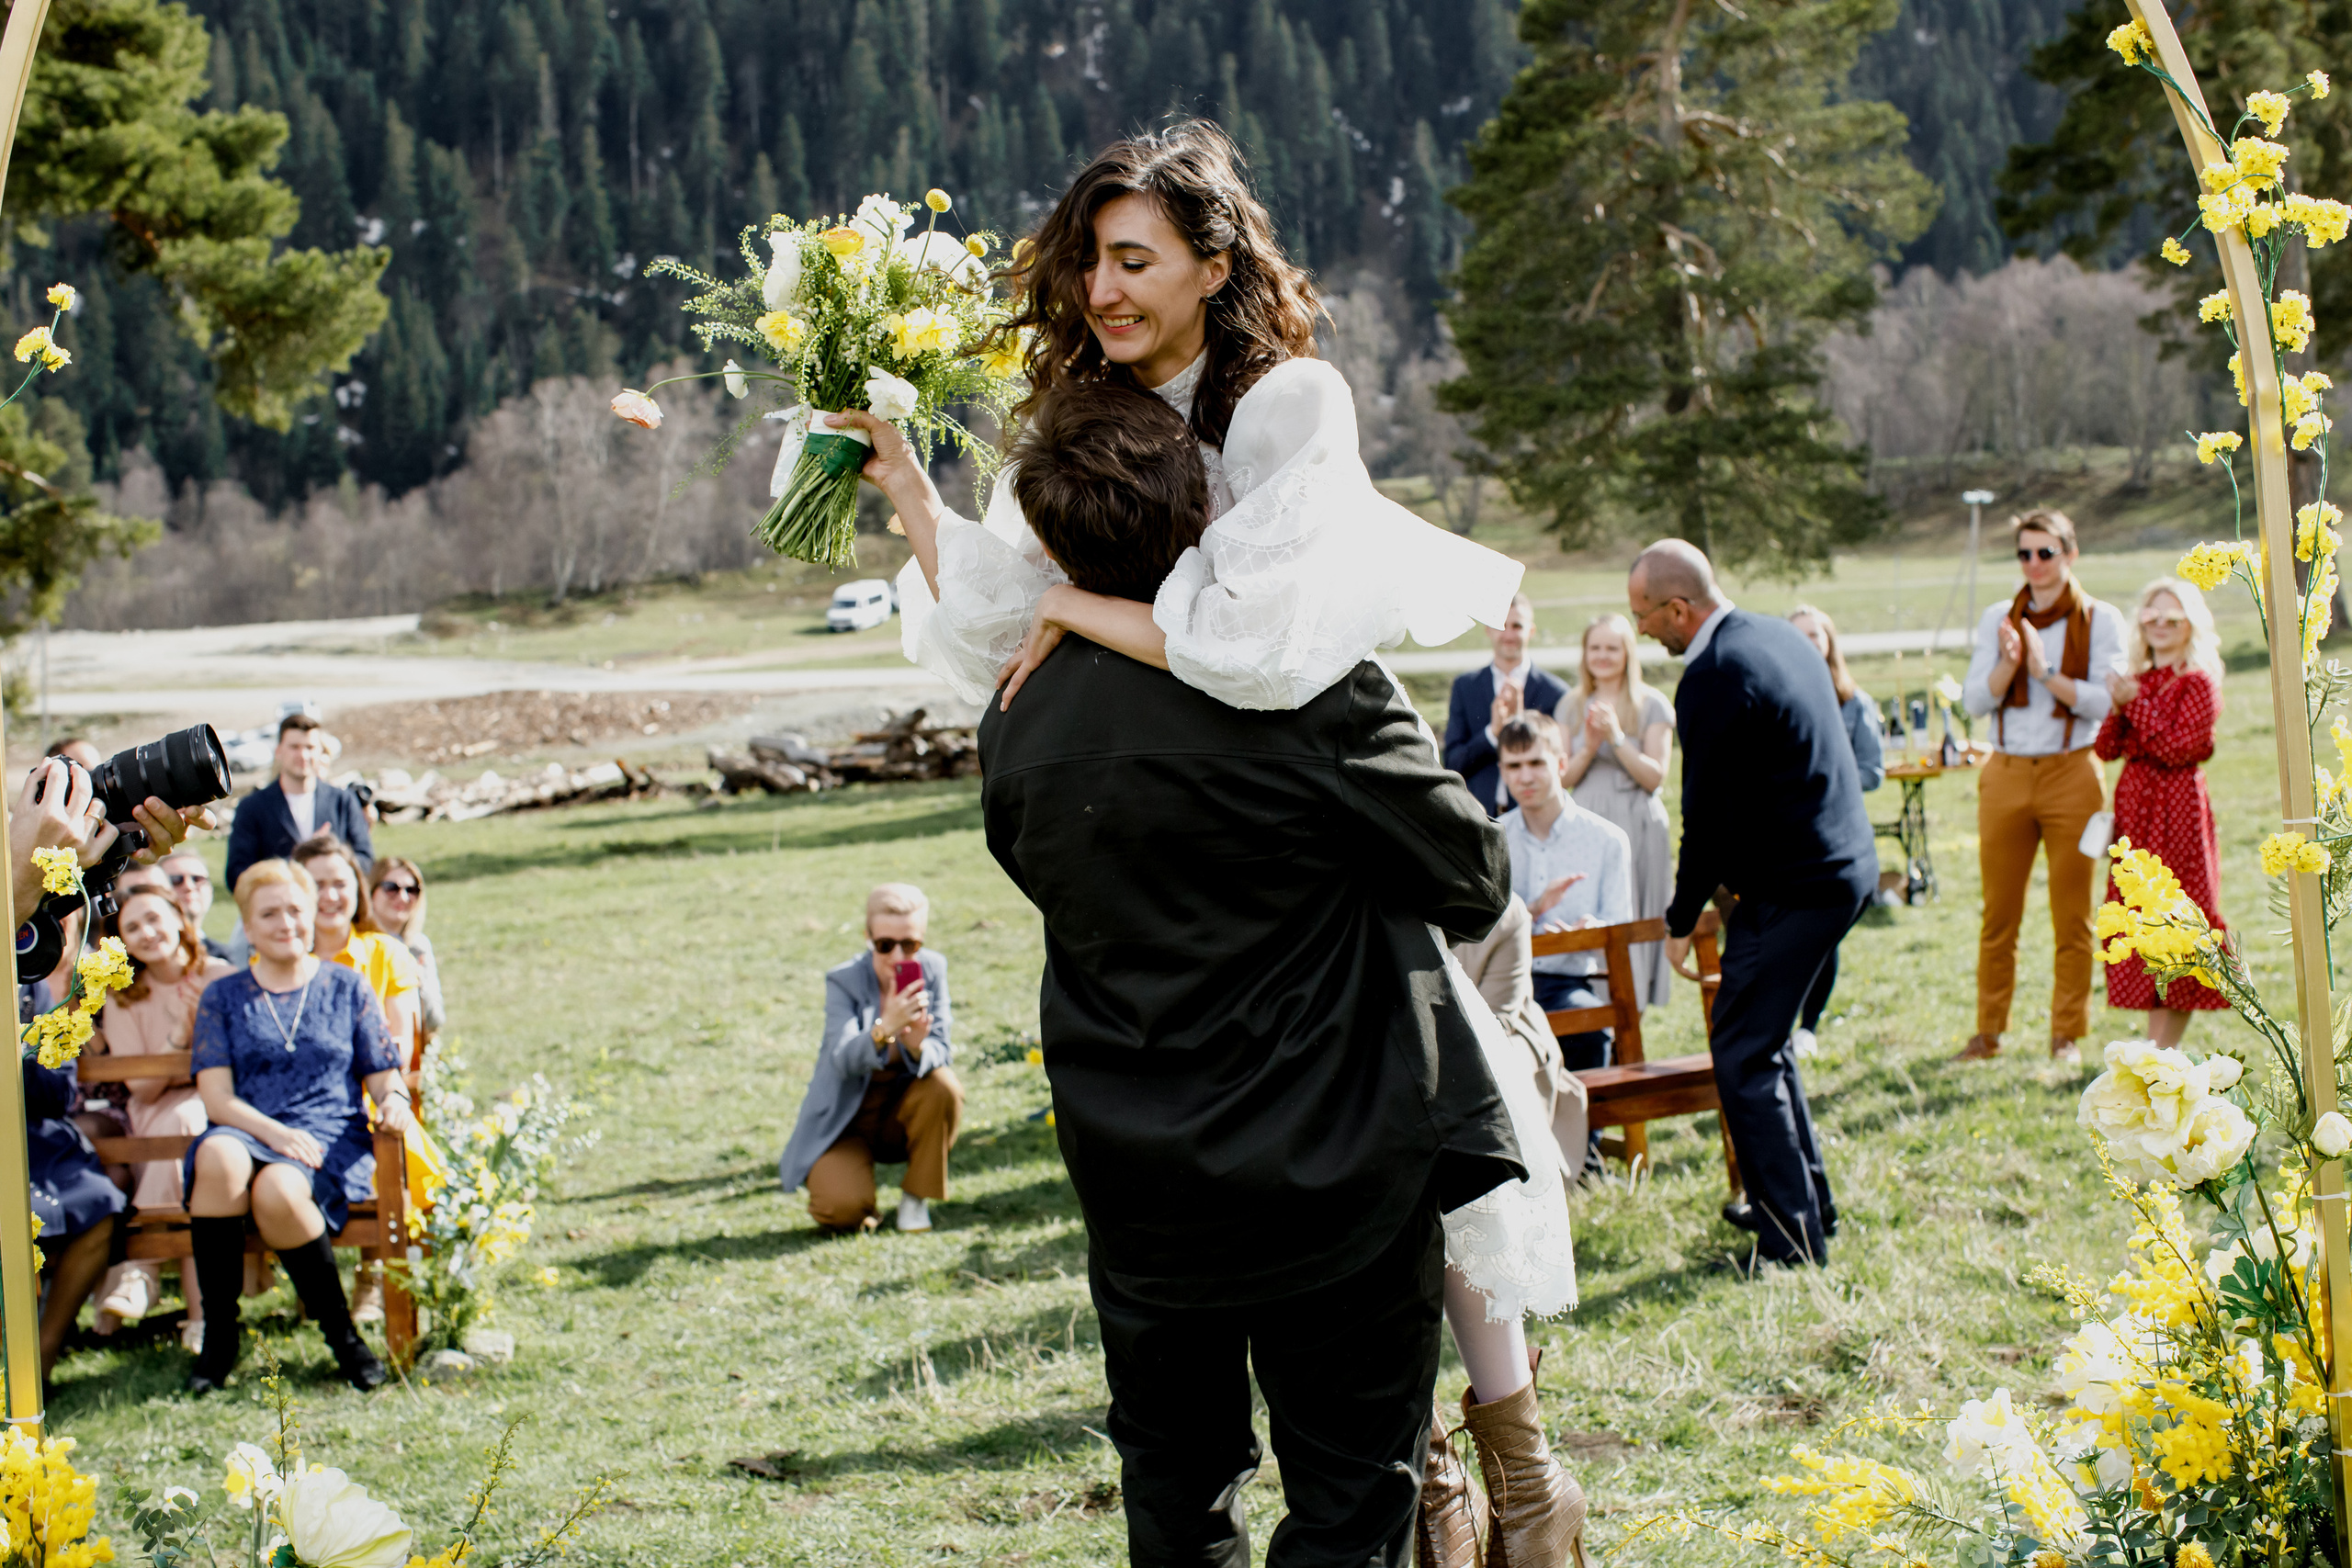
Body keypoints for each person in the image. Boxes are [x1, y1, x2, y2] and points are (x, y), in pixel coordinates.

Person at [978, 378, 1584, 1568]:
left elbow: (1035, 869)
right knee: (1351, 1502)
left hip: (1137, 1169)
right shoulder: (1305, 688)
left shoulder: (1020, 709)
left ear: (1052, 537)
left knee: (1176, 1496)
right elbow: (1472, 872)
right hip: (1335, 1161)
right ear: (1205, 516)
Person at [838, 118, 1523, 721]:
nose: (1101, 292)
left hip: (1311, 761)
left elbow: (1257, 653)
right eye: (1087, 262)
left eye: (1133, 262)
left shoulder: (1294, 406)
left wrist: (1077, 607)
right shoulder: (1073, 421)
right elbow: (1005, 636)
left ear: (1212, 271)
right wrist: (903, 477)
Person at [1629, 540, 1875, 1271]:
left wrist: (1678, 921)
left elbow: (1706, 819)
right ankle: (1805, 1204)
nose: (1643, 629)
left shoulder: (1714, 674)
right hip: (1837, 868)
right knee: (1764, 1044)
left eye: (1645, 615)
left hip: (1796, 888)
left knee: (1741, 1053)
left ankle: (1790, 1242)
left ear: (1680, 607)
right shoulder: (1773, 633)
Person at [183, 859, 409, 1393]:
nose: (285, 923)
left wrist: (394, 1100)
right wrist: (274, 1134)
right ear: (248, 924)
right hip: (249, 1126)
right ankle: (220, 1335)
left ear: (311, 915)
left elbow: (383, 1075)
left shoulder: (347, 987)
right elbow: (216, 1097)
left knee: (280, 1186)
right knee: (218, 1156)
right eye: (269, 914)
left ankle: (342, 1337)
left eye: (295, 911)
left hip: (329, 1134)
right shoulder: (224, 995)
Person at [1958, 510, 2127, 1064]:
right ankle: (1988, 1032)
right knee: (1998, 913)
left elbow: (2107, 702)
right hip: (2005, 770)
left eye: (2045, 553)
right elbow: (1975, 701)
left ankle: (2066, 1035)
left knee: (2072, 912)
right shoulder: (1997, 618)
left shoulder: (2100, 619)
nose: (2034, 564)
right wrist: (2009, 666)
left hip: (2071, 770)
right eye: (2024, 554)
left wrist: (2043, 670)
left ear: (2070, 555)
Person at [88, 886, 232, 1348]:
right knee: (182, 1128)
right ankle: (201, 1318)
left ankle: (143, 1270)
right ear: (123, 942)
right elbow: (142, 1087)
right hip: (150, 1121)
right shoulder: (124, 996)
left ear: (178, 915)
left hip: (219, 1108)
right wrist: (179, 1034)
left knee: (190, 1120)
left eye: (154, 918)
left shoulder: (219, 976)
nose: (147, 933)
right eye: (132, 928)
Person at [776, 885, 961, 1235]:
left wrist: (919, 1046)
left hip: (903, 1113)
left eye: (910, 944)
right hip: (847, 1120)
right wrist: (884, 1028)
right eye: (884, 944)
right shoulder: (844, 980)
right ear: (868, 937)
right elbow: (841, 1059)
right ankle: (861, 1200)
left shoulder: (933, 969)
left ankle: (915, 1197)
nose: (897, 956)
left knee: (944, 1085)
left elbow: (943, 1051)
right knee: (840, 1211)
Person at [2095, 578, 2227, 1046]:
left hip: (2179, 810)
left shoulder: (2198, 683)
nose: (2162, 626)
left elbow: (2179, 748)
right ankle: (2157, 1050)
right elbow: (2106, 747)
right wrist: (2119, 706)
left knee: (2180, 916)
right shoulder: (2140, 679)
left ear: (2191, 624)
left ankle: (2160, 1051)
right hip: (2137, 811)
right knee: (2138, 916)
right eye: (2153, 617)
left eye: (2173, 618)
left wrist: (2138, 708)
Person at [1498, 714, 1634, 1092]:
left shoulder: (1607, 839)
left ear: (1561, 763)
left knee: (1588, 1026)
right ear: (1503, 772)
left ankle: (1584, 1146)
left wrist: (1591, 932)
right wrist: (1535, 908)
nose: (1525, 777)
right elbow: (1483, 930)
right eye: (1514, 766)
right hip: (1504, 983)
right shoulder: (1494, 839)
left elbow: (1620, 926)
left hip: (1569, 978)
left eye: (1536, 763)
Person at [1554, 613, 1676, 1006]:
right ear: (1585, 653)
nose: (1603, 656)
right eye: (1596, 648)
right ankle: (1596, 999)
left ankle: (1636, 1001)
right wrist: (1590, 744)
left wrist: (1617, 737)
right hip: (1589, 819)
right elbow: (1563, 777)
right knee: (1594, 908)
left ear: (1628, 653)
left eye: (1612, 647)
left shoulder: (1651, 703)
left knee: (1637, 909)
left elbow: (1655, 777)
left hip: (1639, 821)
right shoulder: (1570, 705)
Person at [1785, 605, 1886, 1055]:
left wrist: (1827, 778)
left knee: (1824, 932)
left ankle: (1809, 1024)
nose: (1807, 643)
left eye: (1815, 635)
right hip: (1787, 835)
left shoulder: (1854, 703)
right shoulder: (1777, 697)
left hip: (1834, 832)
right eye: (1797, 636)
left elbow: (1873, 770)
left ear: (1829, 643)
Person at [1444, 594, 1571, 818]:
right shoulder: (1465, 687)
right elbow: (1452, 763)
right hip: (1478, 815)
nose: (1509, 634)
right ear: (1488, 630)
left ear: (1531, 631)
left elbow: (1560, 763)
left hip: (1535, 816)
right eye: (1502, 625)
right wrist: (1492, 733)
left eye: (1517, 626)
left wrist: (1521, 724)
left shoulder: (1555, 691)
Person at [223, 714, 374, 892]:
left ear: (320, 752)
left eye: (310, 747)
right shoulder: (252, 807)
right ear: (278, 751)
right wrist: (299, 858)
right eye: (294, 747)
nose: (303, 755)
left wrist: (331, 859)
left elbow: (366, 860)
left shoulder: (343, 801)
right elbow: (236, 874)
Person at [368, 857, 446, 1036]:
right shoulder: (359, 945)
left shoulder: (418, 946)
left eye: (412, 890)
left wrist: (420, 984)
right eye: (391, 888)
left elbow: (435, 1021)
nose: (403, 897)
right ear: (371, 891)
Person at [158, 850, 232, 962]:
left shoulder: (224, 956)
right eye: (176, 880)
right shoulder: (147, 952)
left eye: (197, 879)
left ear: (210, 889)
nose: (189, 887)